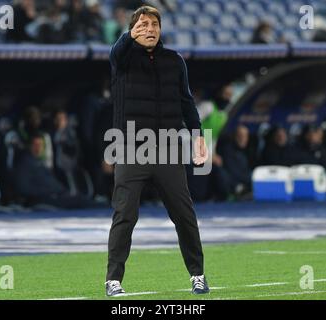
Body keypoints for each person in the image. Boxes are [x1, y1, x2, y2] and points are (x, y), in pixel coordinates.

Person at [105, 6, 210, 296]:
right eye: (143, 24)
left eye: (154, 24)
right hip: (131, 147)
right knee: (125, 214)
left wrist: (198, 134)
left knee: (183, 213)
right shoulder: (122, 58)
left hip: (167, 147)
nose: (149, 29)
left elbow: (186, 102)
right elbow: (115, 53)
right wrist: (127, 37)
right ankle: (113, 280)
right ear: (132, 29)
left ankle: (198, 275)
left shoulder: (174, 61)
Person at [14, 133, 101, 208]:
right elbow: (24, 188)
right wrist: (50, 192)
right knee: (80, 202)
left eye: (40, 145)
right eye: (35, 145)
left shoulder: (39, 162)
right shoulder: (24, 164)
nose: (38, 148)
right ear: (29, 146)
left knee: (81, 199)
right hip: (42, 200)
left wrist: (60, 190)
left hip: (57, 195)